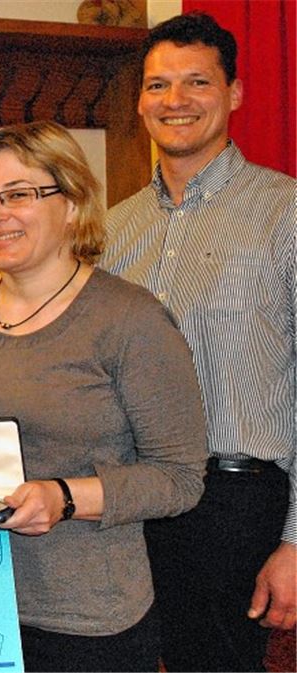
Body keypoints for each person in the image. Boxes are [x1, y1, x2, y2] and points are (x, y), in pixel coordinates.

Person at [0, 120, 208, 672]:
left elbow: (180, 478)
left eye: (19, 194)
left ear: (72, 204)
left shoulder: (130, 319)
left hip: (87, 619)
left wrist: (63, 497)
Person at [102, 12, 296, 671]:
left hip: (238, 505)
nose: (175, 101)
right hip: (130, 500)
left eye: (197, 82)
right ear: (140, 100)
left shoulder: (285, 213)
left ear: (234, 92)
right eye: (158, 85)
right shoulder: (112, 229)